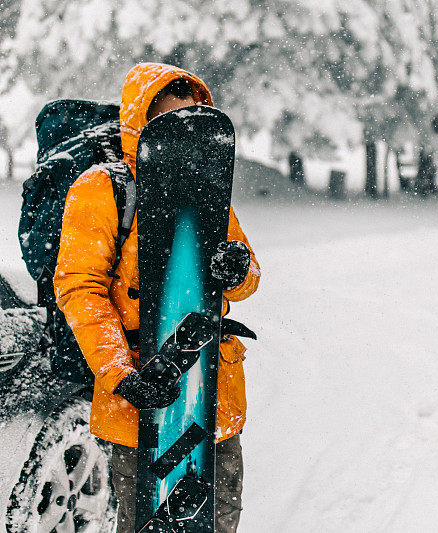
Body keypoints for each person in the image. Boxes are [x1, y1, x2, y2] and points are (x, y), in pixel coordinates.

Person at [54, 63, 260, 532]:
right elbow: (79, 289)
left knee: (217, 520)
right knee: (147, 523)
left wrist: (239, 269)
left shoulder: (206, 188)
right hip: (139, 403)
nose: (185, 132)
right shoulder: (100, 190)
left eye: (194, 118)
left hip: (213, 397)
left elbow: (249, 278)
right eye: (171, 120)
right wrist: (120, 374)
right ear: (141, 123)